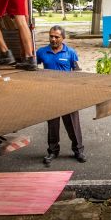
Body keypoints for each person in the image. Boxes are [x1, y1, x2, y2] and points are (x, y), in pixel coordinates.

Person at [36, 25, 86, 164]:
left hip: (68, 94)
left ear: (63, 38)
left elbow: (77, 72)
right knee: (53, 125)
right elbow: (33, 70)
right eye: (51, 36)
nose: (53, 39)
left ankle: (78, 151)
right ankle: (52, 152)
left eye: (56, 37)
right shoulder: (41, 52)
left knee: (73, 125)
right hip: (50, 95)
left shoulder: (70, 52)